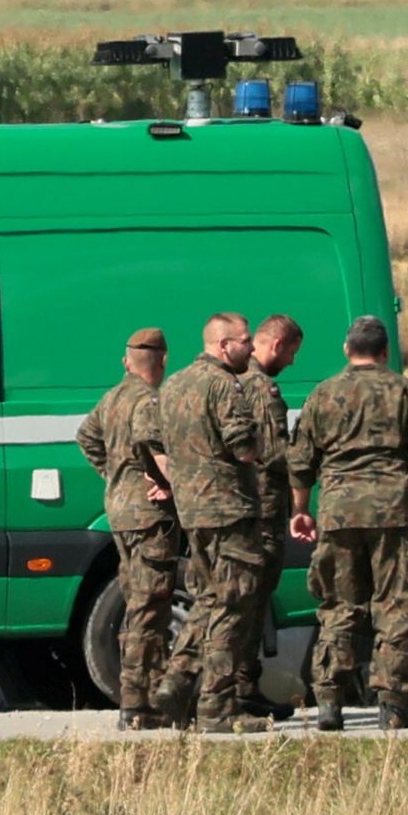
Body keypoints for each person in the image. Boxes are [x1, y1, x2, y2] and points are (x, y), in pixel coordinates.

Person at [289, 315, 408, 732]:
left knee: (339, 606)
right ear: (384, 352)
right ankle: (392, 701)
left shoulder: (323, 394)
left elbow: (301, 461)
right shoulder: (404, 391)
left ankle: (328, 700)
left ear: (347, 350)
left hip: (338, 511)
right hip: (392, 513)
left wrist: (300, 509)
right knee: (396, 606)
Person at [151, 312, 268, 734]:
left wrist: (173, 479)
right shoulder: (224, 384)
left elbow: (152, 444)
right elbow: (245, 449)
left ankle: (177, 683)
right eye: (245, 341)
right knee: (233, 603)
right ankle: (217, 707)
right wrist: (259, 441)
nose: (252, 348)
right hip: (229, 510)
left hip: (193, 511)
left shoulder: (174, 385)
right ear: (223, 345)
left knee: (208, 598)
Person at [75, 327, 178, 730]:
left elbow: (86, 438)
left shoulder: (112, 397)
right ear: (163, 360)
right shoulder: (146, 400)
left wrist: (113, 476)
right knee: (150, 604)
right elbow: (151, 447)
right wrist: (161, 480)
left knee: (137, 597)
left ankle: (140, 693)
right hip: (148, 513)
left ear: (126, 361)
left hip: (119, 511)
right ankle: (137, 701)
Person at [235, 314, 303, 720]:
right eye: (292, 352)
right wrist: (309, 457)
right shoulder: (261, 388)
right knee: (255, 599)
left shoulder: (232, 380)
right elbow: (274, 452)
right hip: (262, 506)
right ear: (277, 345)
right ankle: (242, 686)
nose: (292, 362)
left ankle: (246, 684)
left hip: (241, 505)